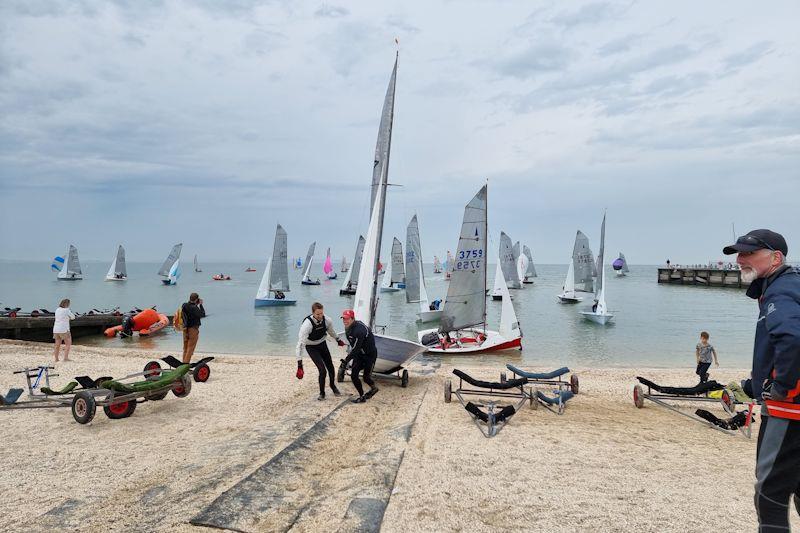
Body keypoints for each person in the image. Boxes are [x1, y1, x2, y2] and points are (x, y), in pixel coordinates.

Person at [722, 229, 800, 530]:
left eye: (749, 253)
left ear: (776, 257)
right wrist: (754, 385)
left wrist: (780, 388)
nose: (741, 259)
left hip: (789, 410)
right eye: (738, 254)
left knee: (770, 494)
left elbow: (793, 339)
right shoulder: (790, 285)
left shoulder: (781, 291)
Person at [296, 302, 345, 400]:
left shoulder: (327, 320)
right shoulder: (307, 325)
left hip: (322, 344)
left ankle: (332, 385)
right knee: (322, 370)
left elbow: (331, 331)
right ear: (313, 313)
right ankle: (322, 393)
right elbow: (300, 345)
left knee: (330, 367)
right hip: (311, 347)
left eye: (321, 313)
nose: (320, 316)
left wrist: (338, 339)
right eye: (318, 314)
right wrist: (299, 365)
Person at [341, 309, 378, 403]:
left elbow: (356, 348)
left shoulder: (359, 330)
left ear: (353, 319)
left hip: (369, 355)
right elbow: (354, 347)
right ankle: (362, 396)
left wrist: (346, 360)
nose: (345, 321)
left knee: (366, 377)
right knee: (353, 376)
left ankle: (374, 388)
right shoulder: (348, 328)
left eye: (347, 319)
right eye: (343, 319)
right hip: (359, 355)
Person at [181, 293, 205, 364]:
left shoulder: (184, 305)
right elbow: (202, 314)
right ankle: (185, 365)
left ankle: (183, 363)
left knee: (185, 348)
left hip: (185, 329)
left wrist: (196, 304)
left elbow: (190, 309)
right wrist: (200, 305)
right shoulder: (194, 308)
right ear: (196, 299)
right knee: (190, 348)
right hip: (193, 329)